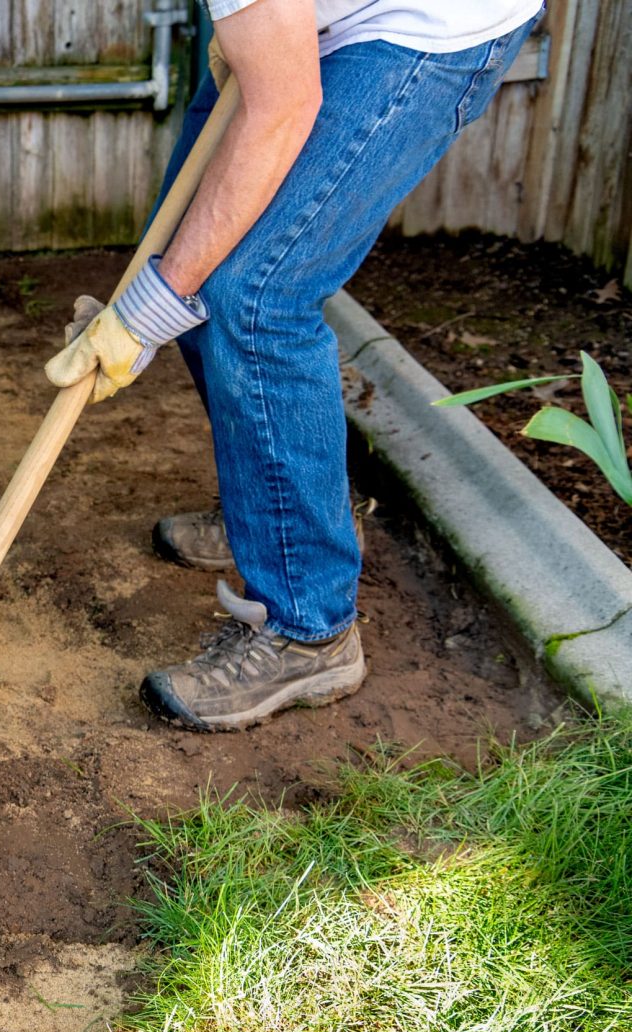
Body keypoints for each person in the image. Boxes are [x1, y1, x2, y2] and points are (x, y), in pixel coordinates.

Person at [46, 0, 541, 731]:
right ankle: (278, 511)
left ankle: (312, 626)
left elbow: (284, 106)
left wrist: (140, 321)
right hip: (308, 26)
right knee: (184, 249)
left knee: (253, 295)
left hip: (427, 25)